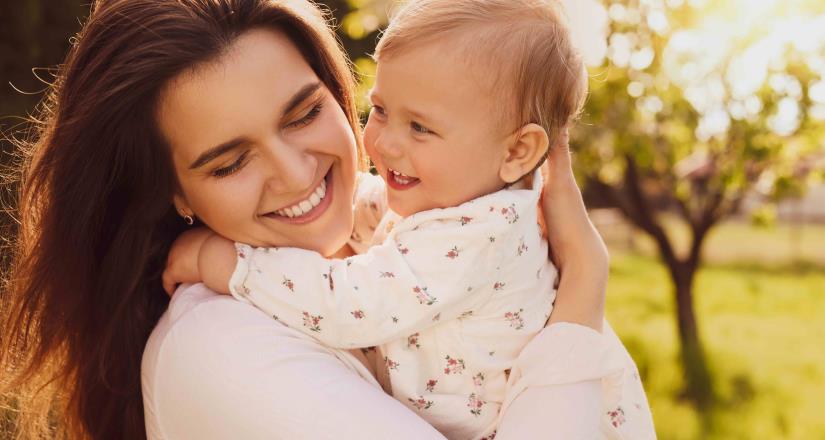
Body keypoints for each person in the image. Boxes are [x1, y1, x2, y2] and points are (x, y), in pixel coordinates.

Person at [0, 1, 649, 439]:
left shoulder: (402, 233)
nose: (295, 173)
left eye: (304, 114)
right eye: (229, 163)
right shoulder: (223, 348)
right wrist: (582, 290)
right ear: (175, 194)